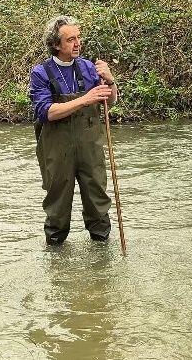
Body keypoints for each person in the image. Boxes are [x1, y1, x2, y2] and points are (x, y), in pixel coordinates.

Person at [29, 15, 119, 245]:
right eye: (70, 39)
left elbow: (110, 102)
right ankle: (57, 260)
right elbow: (46, 112)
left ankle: (102, 255)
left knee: (98, 200)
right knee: (57, 206)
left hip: (90, 145)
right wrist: (85, 99)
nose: (77, 43)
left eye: (78, 38)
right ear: (56, 44)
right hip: (57, 149)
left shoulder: (89, 67)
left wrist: (110, 82)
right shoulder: (41, 73)